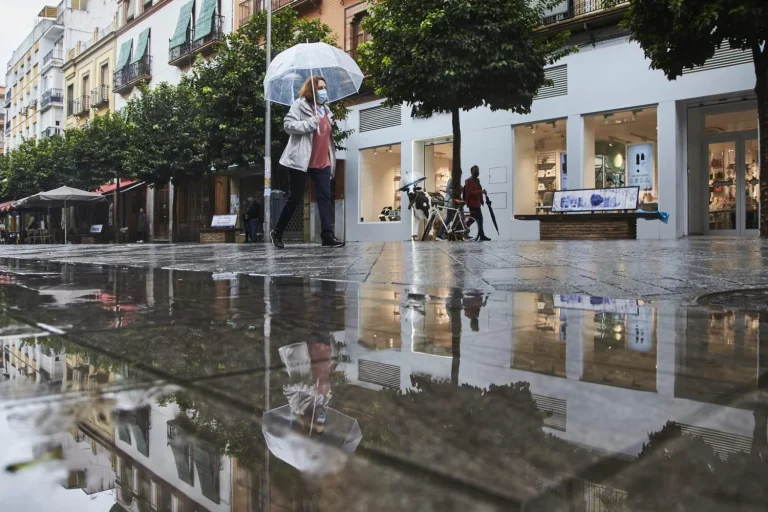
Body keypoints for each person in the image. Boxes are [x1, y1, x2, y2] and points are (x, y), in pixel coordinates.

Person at [271, 76, 343, 249]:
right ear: (311, 89)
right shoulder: (300, 105)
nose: (324, 90)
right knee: (294, 198)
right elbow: (288, 125)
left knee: (325, 197)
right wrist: (311, 122)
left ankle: (327, 235)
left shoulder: (325, 109)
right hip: (301, 160)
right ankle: (278, 231)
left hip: (322, 161)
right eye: (320, 87)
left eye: (325, 87)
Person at [464, 165, 491, 241]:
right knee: (478, 219)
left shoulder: (477, 180)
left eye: (477, 170)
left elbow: (478, 189)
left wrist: (482, 199)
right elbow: (470, 192)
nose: (476, 172)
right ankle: (480, 235)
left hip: (477, 203)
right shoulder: (469, 181)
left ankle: (466, 228)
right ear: (471, 172)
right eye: (475, 170)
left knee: (475, 219)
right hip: (472, 203)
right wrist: (481, 192)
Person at [437, 176, 454, 240]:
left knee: (451, 218)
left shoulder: (455, 180)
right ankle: (440, 233)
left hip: (453, 202)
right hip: (450, 202)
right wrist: (455, 191)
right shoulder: (451, 179)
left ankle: (442, 233)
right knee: (449, 218)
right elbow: (447, 189)